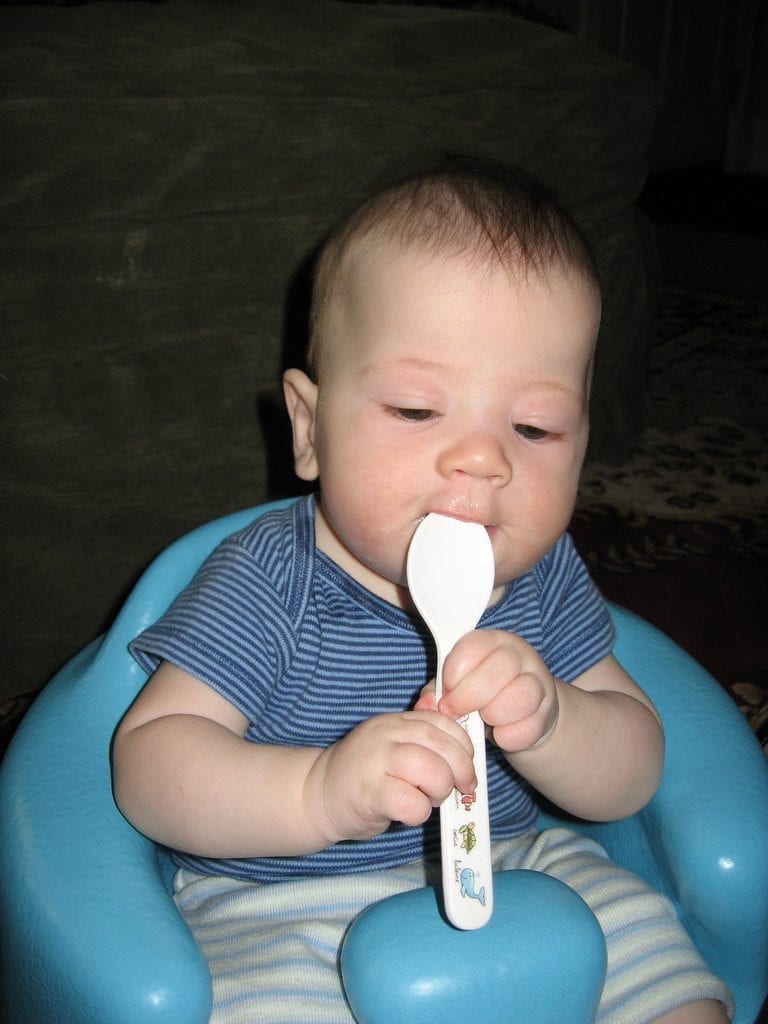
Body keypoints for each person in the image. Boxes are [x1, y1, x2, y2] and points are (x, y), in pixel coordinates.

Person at [112, 156, 733, 1023]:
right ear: (309, 428)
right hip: (279, 907)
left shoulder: (544, 578)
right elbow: (151, 764)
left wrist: (553, 719)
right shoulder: (269, 580)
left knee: (667, 977)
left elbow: (632, 772)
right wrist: (319, 790)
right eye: (415, 409)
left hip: (521, 865)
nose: (483, 458)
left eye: (535, 426)